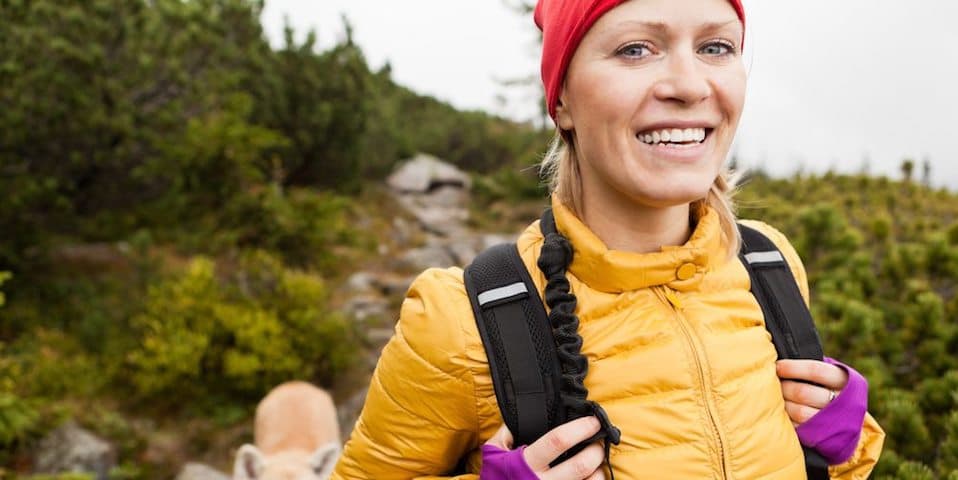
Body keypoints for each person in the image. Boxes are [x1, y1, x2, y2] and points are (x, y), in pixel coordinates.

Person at [331, 0, 885, 478]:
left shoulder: (768, 263)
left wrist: (846, 441)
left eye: (716, 47)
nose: (691, 85)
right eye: (636, 50)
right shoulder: (459, 320)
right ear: (563, 98)